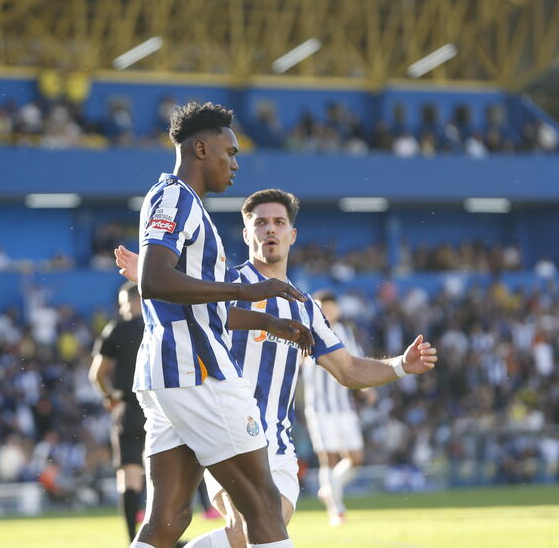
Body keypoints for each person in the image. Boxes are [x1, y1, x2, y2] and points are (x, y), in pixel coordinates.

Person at [116, 188, 438, 548]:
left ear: (292, 234)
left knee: (248, 532)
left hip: (278, 445)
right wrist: (146, 276)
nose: (270, 229)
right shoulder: (224, 286)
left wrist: (400, 366)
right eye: (261, 222)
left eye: (279, 222)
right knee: (251, 524)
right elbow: (178, 297)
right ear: (246, 233)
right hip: (225, 430)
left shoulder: (305, 308)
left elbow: (347, 370)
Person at [128, 102, 315, 548]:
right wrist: (242, 290)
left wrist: (268, 320)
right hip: (198, 371)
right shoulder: (176, 199)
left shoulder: (178, 201)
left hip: (166, 373)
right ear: (200, 148)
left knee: (168, 520)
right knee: (264, 506)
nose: (235, 163)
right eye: (228, 153)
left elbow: (198, 303)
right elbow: (154, 280)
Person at [301, 289, 374, 526]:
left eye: (330, 307)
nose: (327, 311)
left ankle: (330, 490)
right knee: (328, 457)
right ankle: (336, 508)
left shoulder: (344, 332)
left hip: (343, 406)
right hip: (320, 408)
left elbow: (354, 362)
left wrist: (366, 387)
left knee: (356, 458)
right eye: (322, 307)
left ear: (338, 310)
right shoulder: (306, 330)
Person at [89, 282, 147, 542]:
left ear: (134, 301)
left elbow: (96, 374)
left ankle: (133, 540)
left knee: (129, 476)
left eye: (124, 303)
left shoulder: (117, 329)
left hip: (128, 409)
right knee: (163, 473)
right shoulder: (159, 327)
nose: (122, 309)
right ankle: (162, 536)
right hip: (160, 408)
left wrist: (109, 396)